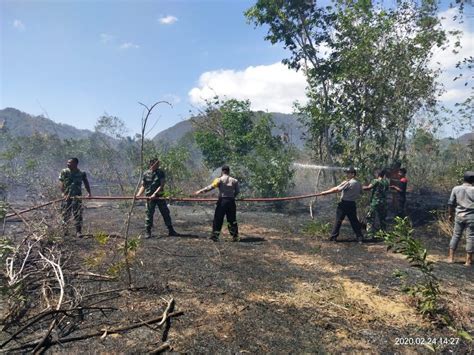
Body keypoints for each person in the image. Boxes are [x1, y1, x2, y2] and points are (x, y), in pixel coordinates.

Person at [317, 166, 364, 243]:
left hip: (344, 204)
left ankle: (333, 237)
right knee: (354, 221)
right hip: (352, 204)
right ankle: (359, 237)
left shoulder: (348, 182)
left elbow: (337, 189)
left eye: (348, 173)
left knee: (338, 220)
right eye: (347, 173)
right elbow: (361, 192)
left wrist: (325, 192)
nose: (347, 175)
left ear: (353, 174)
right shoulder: (358, 183)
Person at [194, 165, 240, 242]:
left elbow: (210, 187)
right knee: (232, 220)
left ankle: (215, 236)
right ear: (229, 171)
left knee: (218, 219)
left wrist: (200, 191)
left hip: (222, 202)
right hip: (231, 202)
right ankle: (235, 236)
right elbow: (237, 191)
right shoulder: (235, 180)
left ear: (222, 171)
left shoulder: (219, 180)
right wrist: (232, 197)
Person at [136, 158, 179, 238]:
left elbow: (161, 185)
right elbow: (143, 185)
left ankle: (171, 230)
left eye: (157, 164)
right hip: (149, 197)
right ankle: (147, 231)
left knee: (165, 212)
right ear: (151, 164)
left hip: (160, 196)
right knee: (149, 214)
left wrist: (155, 194)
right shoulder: (146, 174)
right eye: (155, 164)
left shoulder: (160, 173)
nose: (157, 165)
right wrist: (138, 195)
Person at [59, 157, 91, 237]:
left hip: (77, 196)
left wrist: (89, 193)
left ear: (76, 164)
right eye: (67, 162)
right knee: (65, 214)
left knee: (78, 214)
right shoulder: (64, 172)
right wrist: (63, 193)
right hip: (66, 197)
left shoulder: (81, 173)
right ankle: (65, 231)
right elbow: (62, 183)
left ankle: (78, 232)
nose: (68, 164)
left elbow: (86, 183)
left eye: (70, 163)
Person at [447, 171, 474, 266]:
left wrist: (450, 215)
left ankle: (450, 257)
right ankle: (468, 260)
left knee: (456, 235)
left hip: (459, 215)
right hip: (471, 216)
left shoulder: (456, 188)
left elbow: (451, 203)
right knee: (470, 237)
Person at [363, 169, 389, 238]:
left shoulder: (376, 181)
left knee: (370, 218)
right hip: (383, 203)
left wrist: (360, 187)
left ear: (377, 174)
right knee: (382, 219)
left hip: (375, 202)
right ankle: (384, 234)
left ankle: (370, 234)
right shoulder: (386, 182)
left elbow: (369, 187)